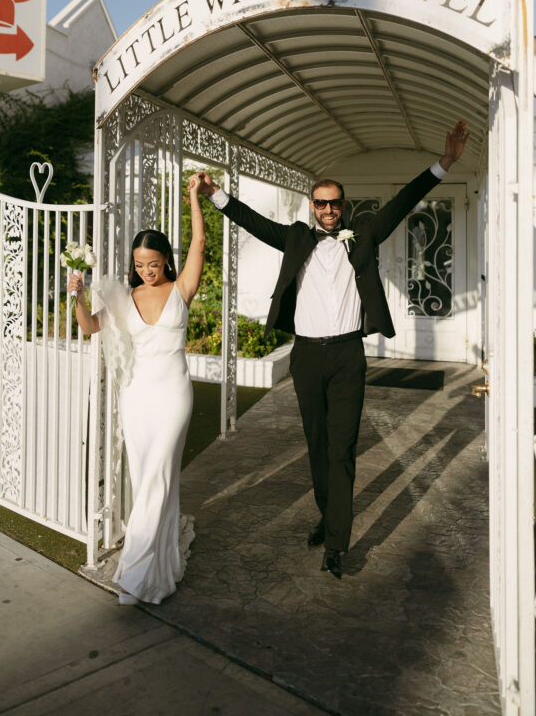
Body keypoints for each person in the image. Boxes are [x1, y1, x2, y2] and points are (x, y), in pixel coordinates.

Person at [195, 121, 469, 580]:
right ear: (312, 206)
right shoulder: (297, 237)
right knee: (317, 445)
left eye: (333, 203)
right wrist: (214, 194)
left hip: (346, 357)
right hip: (306, 357)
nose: (327, 210)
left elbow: (402, 202)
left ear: (343, 206)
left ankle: (337, 544)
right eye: (320, 203)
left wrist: (446, 163)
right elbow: (254, 222)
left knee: (341, 449)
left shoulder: (362, 235)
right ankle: (328, 516)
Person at [67, 175, 206, 604]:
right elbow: (90, 327)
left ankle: (135, 570)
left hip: (173, 396)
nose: (147, 271)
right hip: (138, 397)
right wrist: (76, 296)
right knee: (147, 477)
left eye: (154, 263)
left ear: (166, 260)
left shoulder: (181, 288)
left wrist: (194, 198)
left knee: (159, 478)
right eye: (140, 264)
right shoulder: (124, 298)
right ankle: (159, 566)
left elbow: (200, 244)